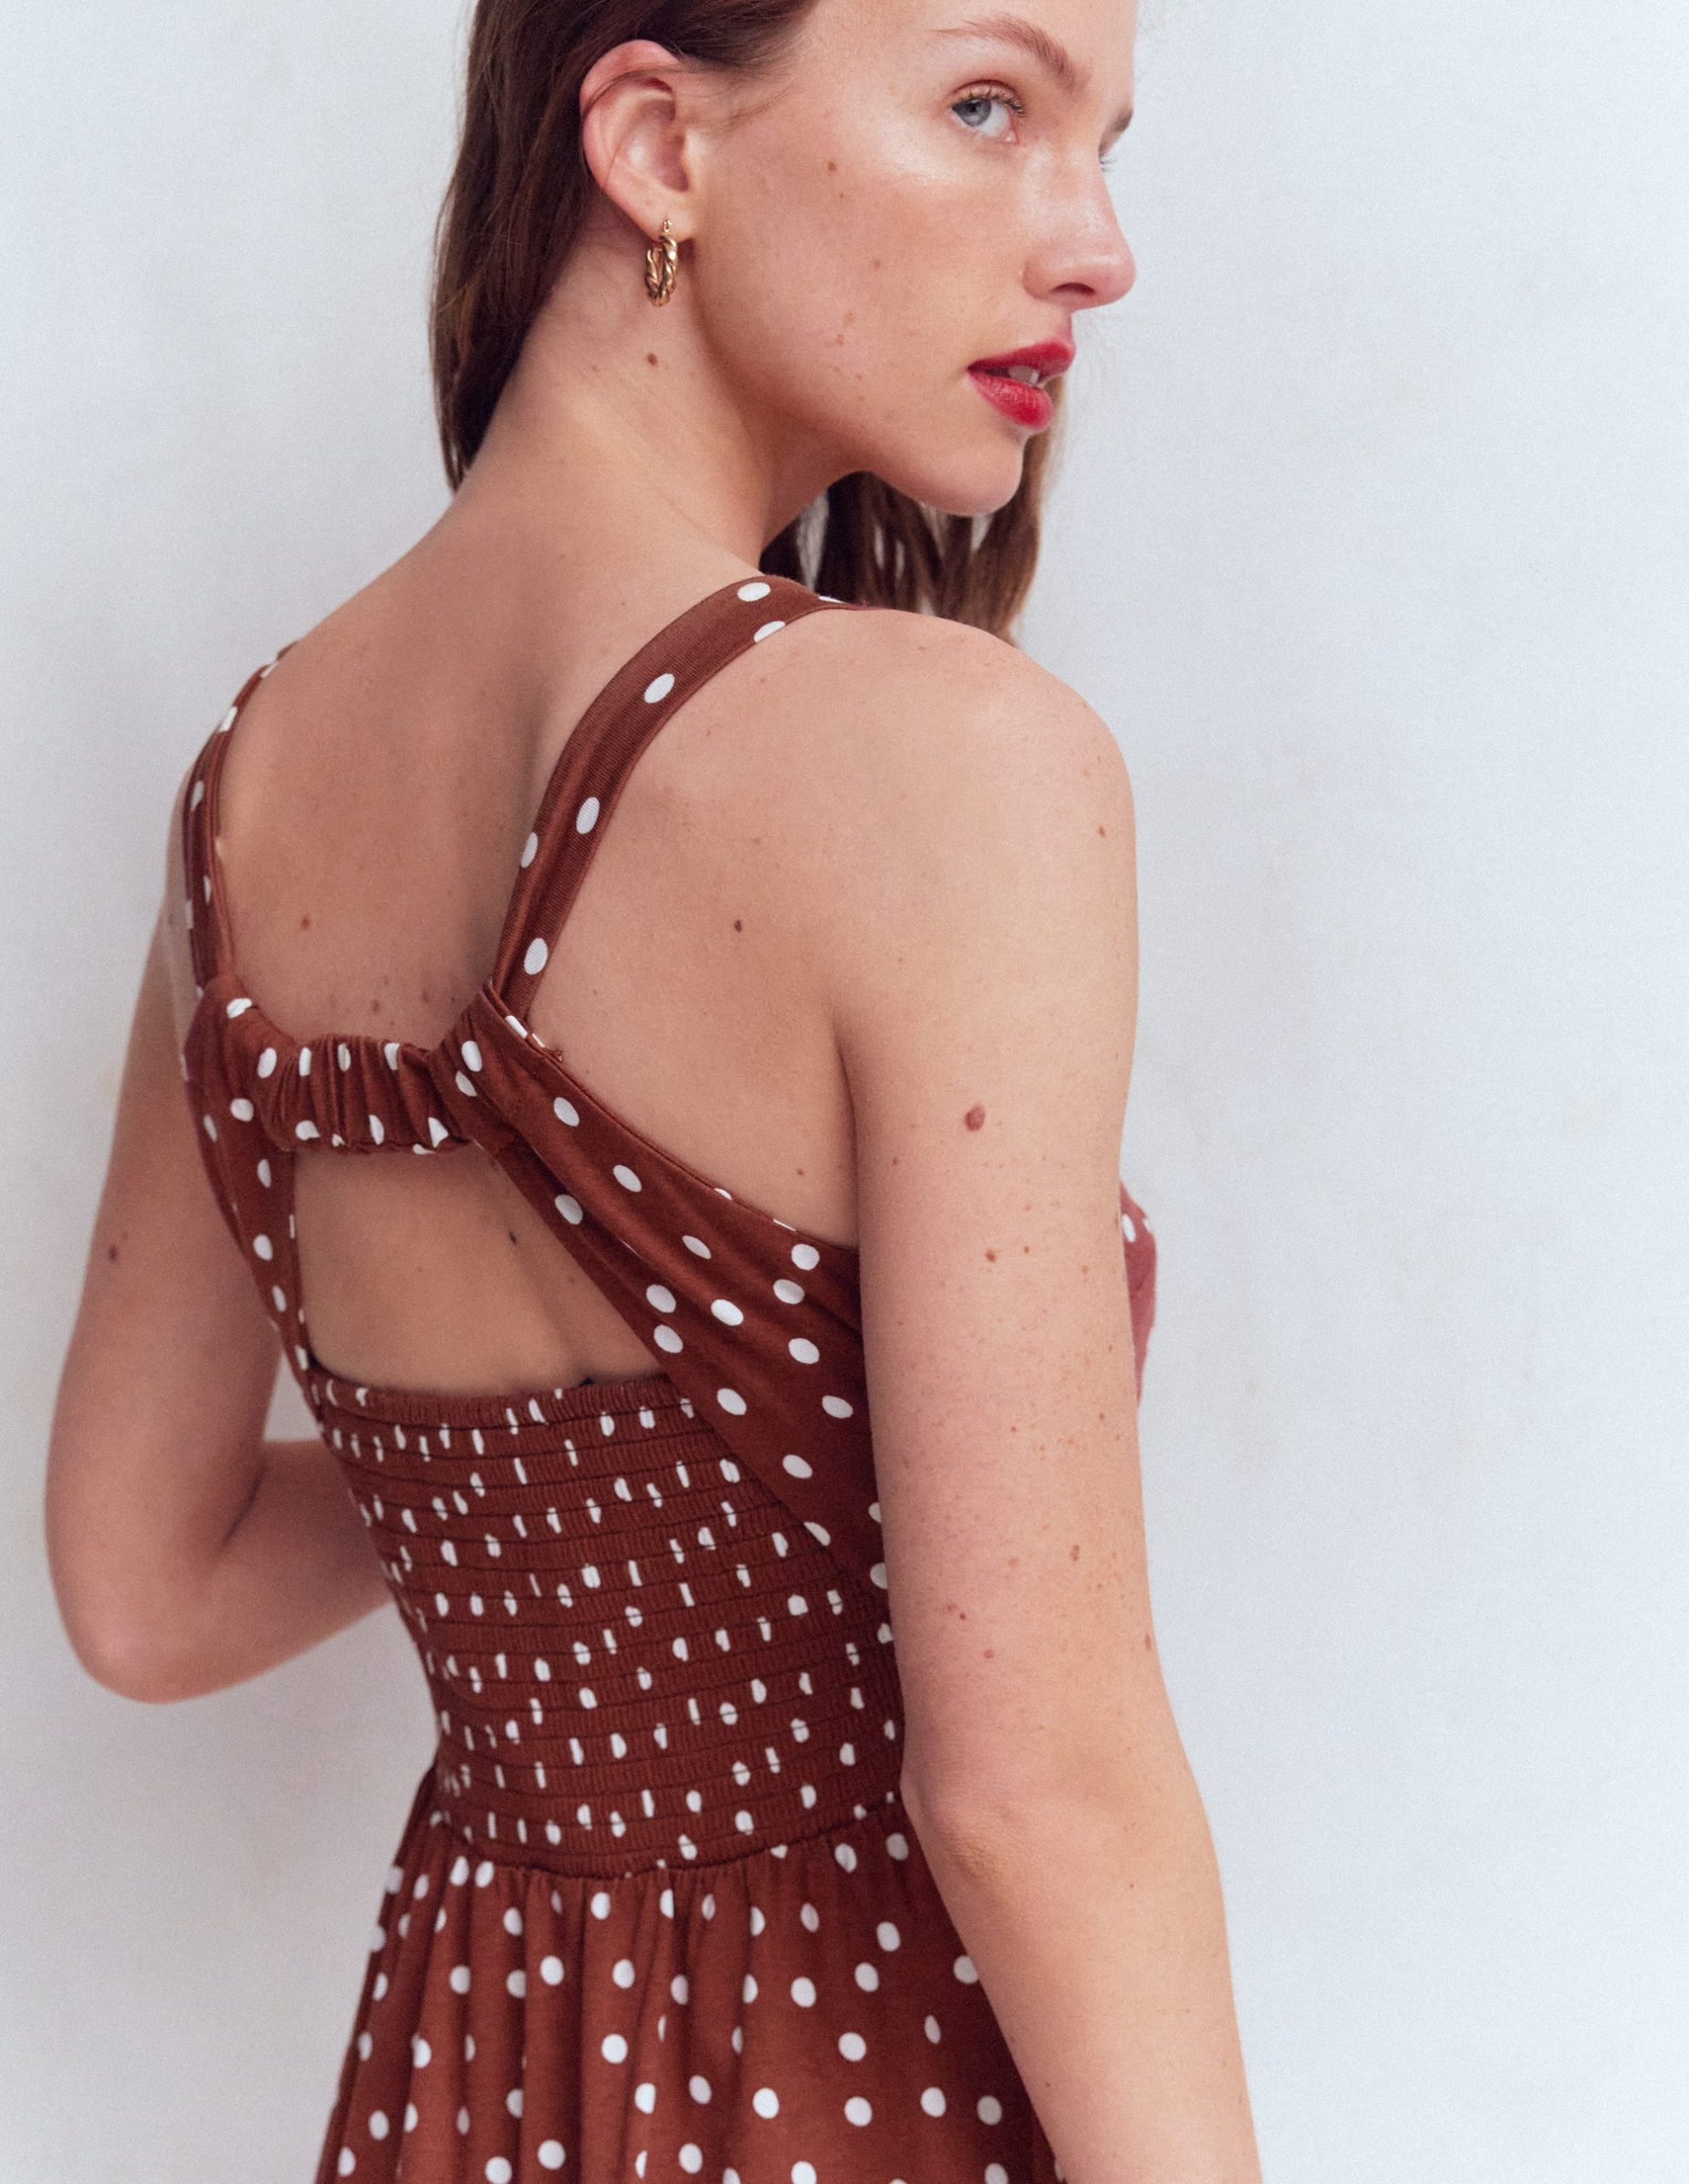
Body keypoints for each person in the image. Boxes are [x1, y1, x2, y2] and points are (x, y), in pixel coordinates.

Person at [46, 1, 1263, 2176]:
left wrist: (566, 1525)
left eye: (1106, 145)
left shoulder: (244, 798)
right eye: (990, 105)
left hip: (473, 2078)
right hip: (862, 2073)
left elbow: (148, 1583)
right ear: (654, 143)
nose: (1097, 246)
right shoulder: (948, 765)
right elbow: (1034, 1790)